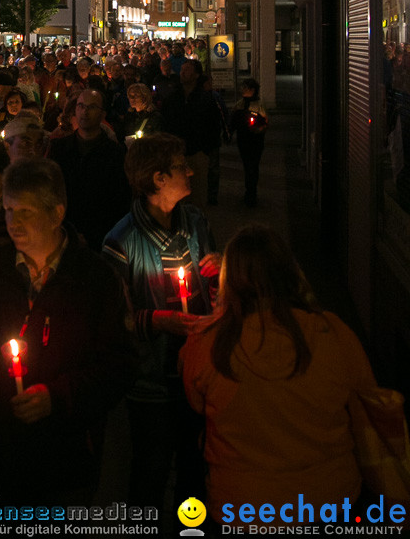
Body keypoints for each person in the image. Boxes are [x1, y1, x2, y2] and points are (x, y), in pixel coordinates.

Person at [0, 158, 138, 503]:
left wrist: (58, 396)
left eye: (26, 212)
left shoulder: (94, 279)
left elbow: (120, 366)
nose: (13, 223)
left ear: (56, 213)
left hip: (65, 462)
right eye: (8, 211)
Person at [180, 224, 377, 525]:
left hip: (242, 509)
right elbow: (367, 400)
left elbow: (194, 402)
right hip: (329, 502)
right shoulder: (333, 333)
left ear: (227, 281)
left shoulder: (207, 343)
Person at [103, 133, 220, 523]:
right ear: (158, 179)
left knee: (194, 471)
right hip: (151, 382)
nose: (189, 171)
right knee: (150, 474)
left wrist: (221, 273)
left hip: (198, 372)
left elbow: (216, 292)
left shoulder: (196, 221)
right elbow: (113, 320)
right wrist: (157, 320)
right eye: (180, 166)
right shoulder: (122, 241)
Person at [48, 89, 129, 250]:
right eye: (80, 106)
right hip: (64, 234)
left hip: (102, 236)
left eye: (91, 107)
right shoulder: (59, 149)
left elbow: (120, 200)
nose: (85, 112)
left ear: (102, 114)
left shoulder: (116, 154)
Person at [162, 59, 221, 206]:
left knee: (197, 196)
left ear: (196, 75)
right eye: (182, 69)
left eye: (187, 70)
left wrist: (205, 150)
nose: (182, 72)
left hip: (197, 152)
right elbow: (167, 122)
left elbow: (213, 125)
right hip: (176, 154)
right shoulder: (174, 97)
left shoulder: (205, 98)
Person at [230, 77, 269, 207]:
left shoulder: (258, 105)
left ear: (252, 90)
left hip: (255, 140)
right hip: (243, 140)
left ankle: (251, 192)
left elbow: (265, 124)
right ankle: (250, 191)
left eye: (245, 87)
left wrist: (257, 129)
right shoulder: (240, 104)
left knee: (252, 165)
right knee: (248, 165)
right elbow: (233, 121)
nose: (242, 89)